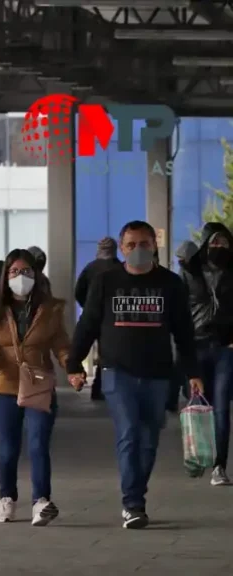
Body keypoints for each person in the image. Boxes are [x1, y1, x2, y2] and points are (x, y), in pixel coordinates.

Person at [66, 220, 202, 529]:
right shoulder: (106, 281)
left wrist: (192, 372)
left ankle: (137, 492)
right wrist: (74, 364)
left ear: (154, 245)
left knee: (149, 439)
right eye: (131, 245)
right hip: (117, 371)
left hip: (158, 373)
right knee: (128, 433)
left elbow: (184, 332)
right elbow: (87, 324)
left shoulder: (170, 284)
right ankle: (133, 503)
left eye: (144, 244)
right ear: (122, 248)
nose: (138, 250)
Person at [0, 249, 70, 526]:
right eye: (14, 272)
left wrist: (71, 367)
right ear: (6, 276)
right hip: (4, 385)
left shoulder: (48, 308)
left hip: (38, 384)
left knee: (39, 444)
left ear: (36, 275)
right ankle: (7, 498)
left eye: (26, 271)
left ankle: (41, 501)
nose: (20, 277)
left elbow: (61, 343)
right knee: (9, 448)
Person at [179, 223, 233, 486]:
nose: (219, 247)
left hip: (225, 348)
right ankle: (199, 456)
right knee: (201, 406)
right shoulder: (190, 272)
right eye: (214, 242)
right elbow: (178, 310)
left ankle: (219, 466)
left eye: (224, 242)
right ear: (204, 244)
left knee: (222, 407)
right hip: (196, 346)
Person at [75, 237, 122, 402]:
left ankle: (84, 379)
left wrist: (87, 306)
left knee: (84, 346)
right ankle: (101, 386)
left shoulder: (90, 268)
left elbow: (78, 291)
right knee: (106, 353)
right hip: (112, 318)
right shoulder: (120, 268)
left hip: (91, 315)